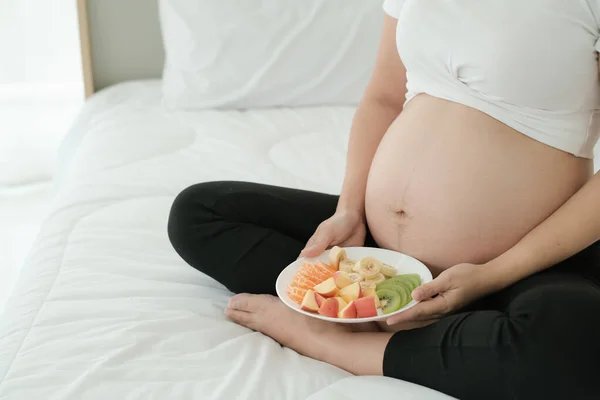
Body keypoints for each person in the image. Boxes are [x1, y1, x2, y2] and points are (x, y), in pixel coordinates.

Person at [167, 1, 600, 399]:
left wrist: (491, 276)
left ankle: (333, 340)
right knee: (200, 213)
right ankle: (407, 318)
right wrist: (349, 210)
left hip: (520, 260)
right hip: (378, 256)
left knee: (574, 336)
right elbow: (384, 97)